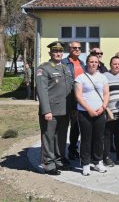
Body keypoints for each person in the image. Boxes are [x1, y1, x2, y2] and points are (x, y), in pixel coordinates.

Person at [37, 41, 73, 175]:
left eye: (60, 51)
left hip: (65, 110)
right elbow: (42, 91)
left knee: (61, 137)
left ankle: (59, 160)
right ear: (50, 53)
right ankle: (49, 164)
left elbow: (70, 89)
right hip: (51, 110)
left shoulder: (65, 68)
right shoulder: (44, 68)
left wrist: (72, 108)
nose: (58, 53)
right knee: (49, 137)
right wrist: (46, 110)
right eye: (55, 51)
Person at [74, 54, 109, 176]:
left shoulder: (103, 78)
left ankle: (98, 161)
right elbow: (78, 96)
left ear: (98, 63)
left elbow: (106, 94)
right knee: (86, 139)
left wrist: (103, 107)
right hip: (85, 113)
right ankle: (85, 164)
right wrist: (89, 109)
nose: (93, 64)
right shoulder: (81, 78)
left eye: (96, 62)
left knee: (99, 138)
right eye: (91, 61)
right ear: (87, 63)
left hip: (100, 111)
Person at [61, 41, 85, 160]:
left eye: (79, 48)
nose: (77, 50)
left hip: (80, 99)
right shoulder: (64, 63)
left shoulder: (82, 63)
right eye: (74, 48)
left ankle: (72, 149)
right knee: (66, 126)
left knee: (76, 126)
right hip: (68, 98)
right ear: (69, 49)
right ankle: (61, 153)